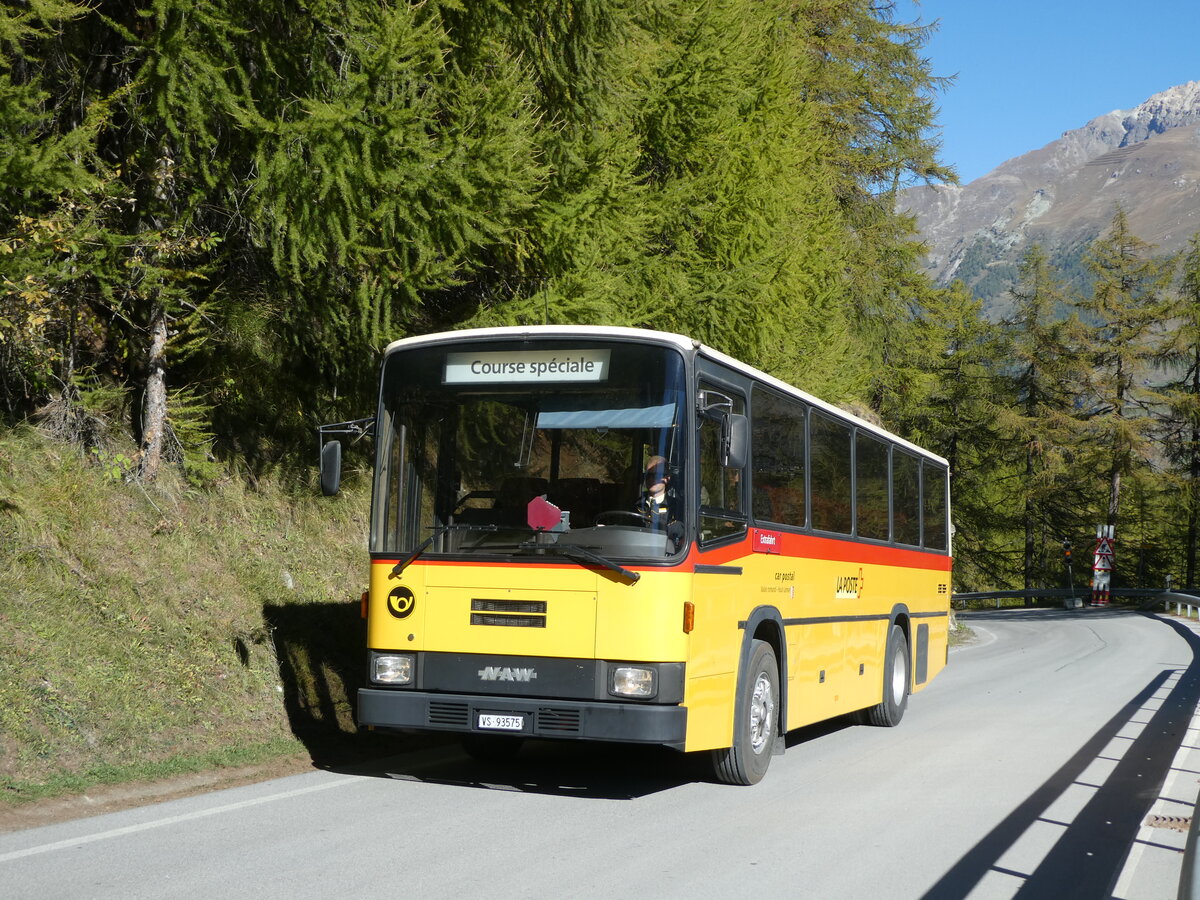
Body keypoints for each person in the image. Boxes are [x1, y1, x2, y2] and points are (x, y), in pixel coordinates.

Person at [637, 455, 673, 526]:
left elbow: (678, 530)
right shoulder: (636, 504)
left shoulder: (674, 506)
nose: (651, 479)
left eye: (656, 475)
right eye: (648, 475)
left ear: (667, 478)